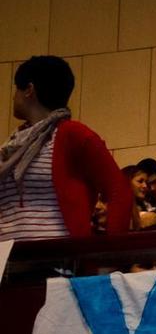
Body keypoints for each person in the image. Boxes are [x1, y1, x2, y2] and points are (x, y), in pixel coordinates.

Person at [1, 55, 130, 240]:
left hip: (58, 260)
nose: (14, 97)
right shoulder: (11, 145)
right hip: (7, 261)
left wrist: (110, 254)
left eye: (16, 89)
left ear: (29, 90)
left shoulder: (72, 135)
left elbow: (119, 190)